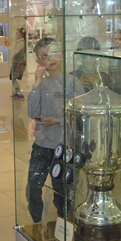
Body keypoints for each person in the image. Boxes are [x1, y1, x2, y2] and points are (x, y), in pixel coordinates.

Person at [26, 39, 84, 223]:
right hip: (42, 145)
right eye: (44, 56)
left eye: (53, 53)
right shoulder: (41, 84)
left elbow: (80, 115)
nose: (50, 59)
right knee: (33, 187)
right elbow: (32, 112)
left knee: (62, 191)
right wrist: (37, 82)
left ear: (61, 54)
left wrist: (57, 121)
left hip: (64, 145)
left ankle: (64, 226)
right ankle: (37, 224)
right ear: (39, 61)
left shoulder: (72, 82)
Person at [8, 27, 27, 99]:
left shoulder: (20, 43)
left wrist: (9, 46)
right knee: (13, 78)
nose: (15, 35)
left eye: (17, 33)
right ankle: (17, 92)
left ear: (21, 35)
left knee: (14, 78)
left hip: (18, 63)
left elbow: (14, 52)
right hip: (17, 62)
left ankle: (19, 93)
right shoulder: (20, 42)